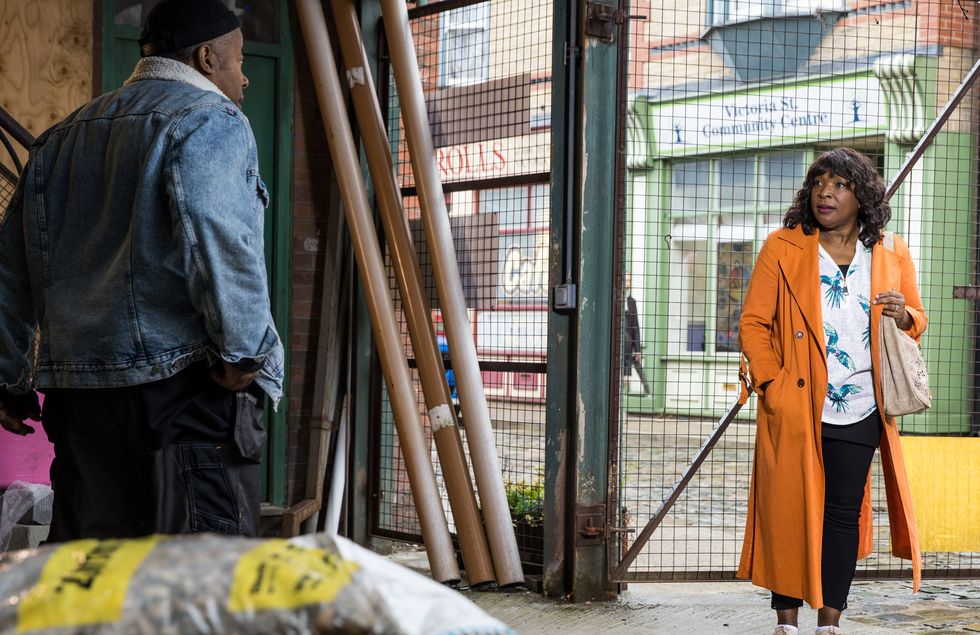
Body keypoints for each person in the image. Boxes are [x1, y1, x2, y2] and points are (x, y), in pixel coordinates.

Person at [0, 0, 284, 541]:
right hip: (183, 398)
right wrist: (246, 350)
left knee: (94, 581)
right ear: (207, 57)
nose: (245, 77)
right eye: (239, 59)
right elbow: (218, 236)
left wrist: (8, 379)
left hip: (81, 401)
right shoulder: (211, 119)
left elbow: (10, 268)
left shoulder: (61, 138)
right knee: (199, 586)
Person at [737, 148, 924, 635]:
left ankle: (830, 622)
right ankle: (786, 622)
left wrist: (903, 313)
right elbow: (755, 322)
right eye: (820, 182)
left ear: (862, 196)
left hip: (863, 404)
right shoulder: (783, 246)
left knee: (842, 513)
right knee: (789, 508)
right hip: (795, 403)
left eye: (840, 184)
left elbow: (916, 321)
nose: (826, 192)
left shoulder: (890, 251)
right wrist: (772, 384)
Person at [623, 272, 651, 396]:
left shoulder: (631, 302)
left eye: (629, 280)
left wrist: (638, 348)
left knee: (635, 366)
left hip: (629, 344)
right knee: (626, 372)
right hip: (621, 344)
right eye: (626, 279)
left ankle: (648, 391)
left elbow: (635, 327)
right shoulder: (617, 300)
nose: (628, 283)